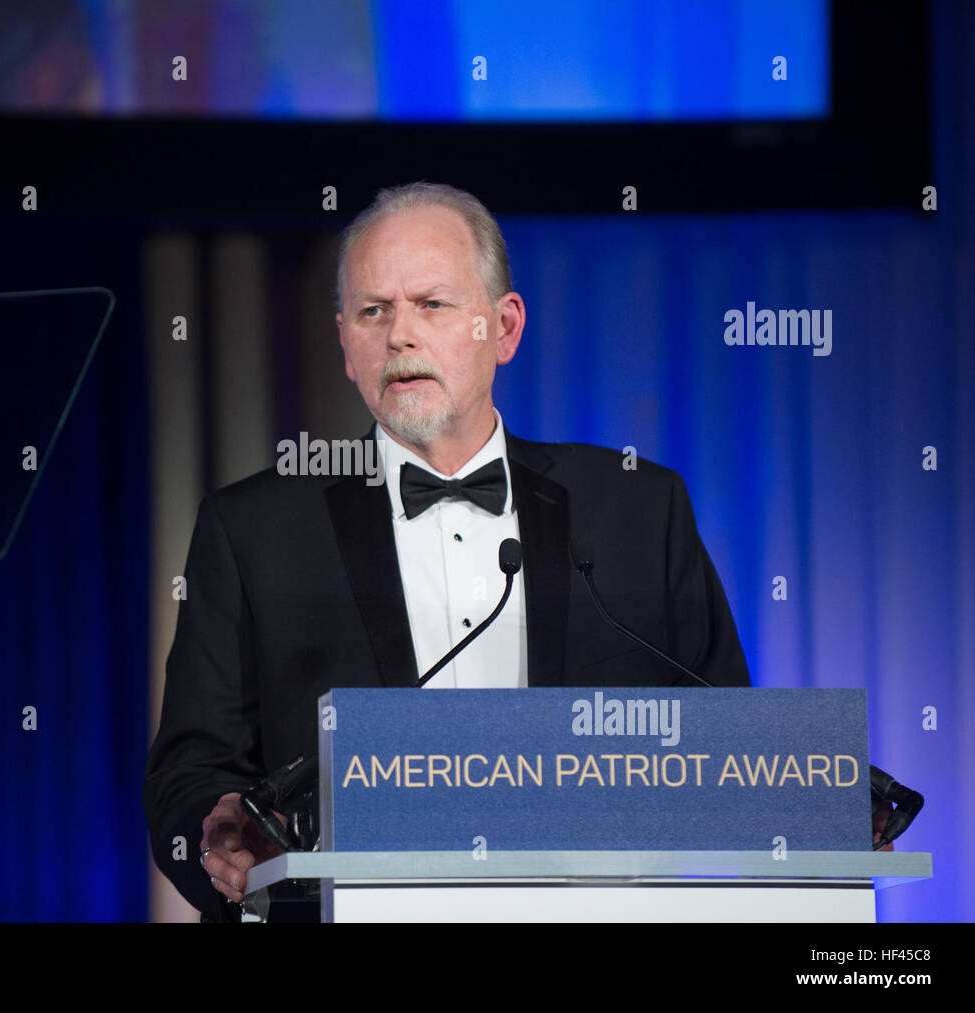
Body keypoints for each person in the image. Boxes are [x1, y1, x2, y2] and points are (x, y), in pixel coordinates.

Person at [146, 181, 758, 923]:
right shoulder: (253, 529)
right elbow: (191, 773)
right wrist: (218, 835)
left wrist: (819, 815)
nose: (400, 334)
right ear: (345, 342)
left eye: (431, 304)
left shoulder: (637, 508)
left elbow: (732, 748)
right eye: (374, 311)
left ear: (502, 328)